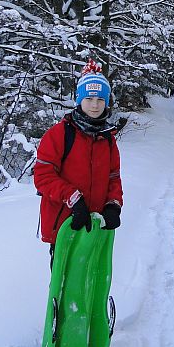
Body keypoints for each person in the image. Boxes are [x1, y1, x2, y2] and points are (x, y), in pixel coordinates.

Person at [34, 59, 123, 265]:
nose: (94, 104)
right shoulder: (59, 134)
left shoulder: (107, 138)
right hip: (66, 225)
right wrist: (74, 200)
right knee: (64, 282)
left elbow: (114, 178)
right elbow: (43, 177)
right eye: (89, 98)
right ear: (79, 99)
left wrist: (113, 205)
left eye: (100, 99)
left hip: (96, 226)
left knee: (91, 280)